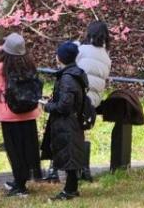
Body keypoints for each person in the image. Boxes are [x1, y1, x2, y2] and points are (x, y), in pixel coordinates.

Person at [44, 20, 111, 183]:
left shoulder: (81, 50)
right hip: (92, 102)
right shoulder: (106, 56)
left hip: (75, 98)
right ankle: (84, 169)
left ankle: (54, 169)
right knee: (79, 132)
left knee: (59, 129)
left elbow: (69, 64)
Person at [0, 32, 42, 198]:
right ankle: (21, 180)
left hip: (10, 114)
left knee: (15, 150)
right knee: (27, 149)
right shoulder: (30, 65)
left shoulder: (1, 68)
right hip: (29, 113)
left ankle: (20, 187)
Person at [42, 41, 88, 201]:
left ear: (60, 57)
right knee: (70, 155)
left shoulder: (67, 78)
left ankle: (69, 191)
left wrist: (48, 106)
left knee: (69, 156)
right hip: (71, 121)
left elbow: (64, 105)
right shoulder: (74, 74)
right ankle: (71, 188)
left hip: (66, 122)